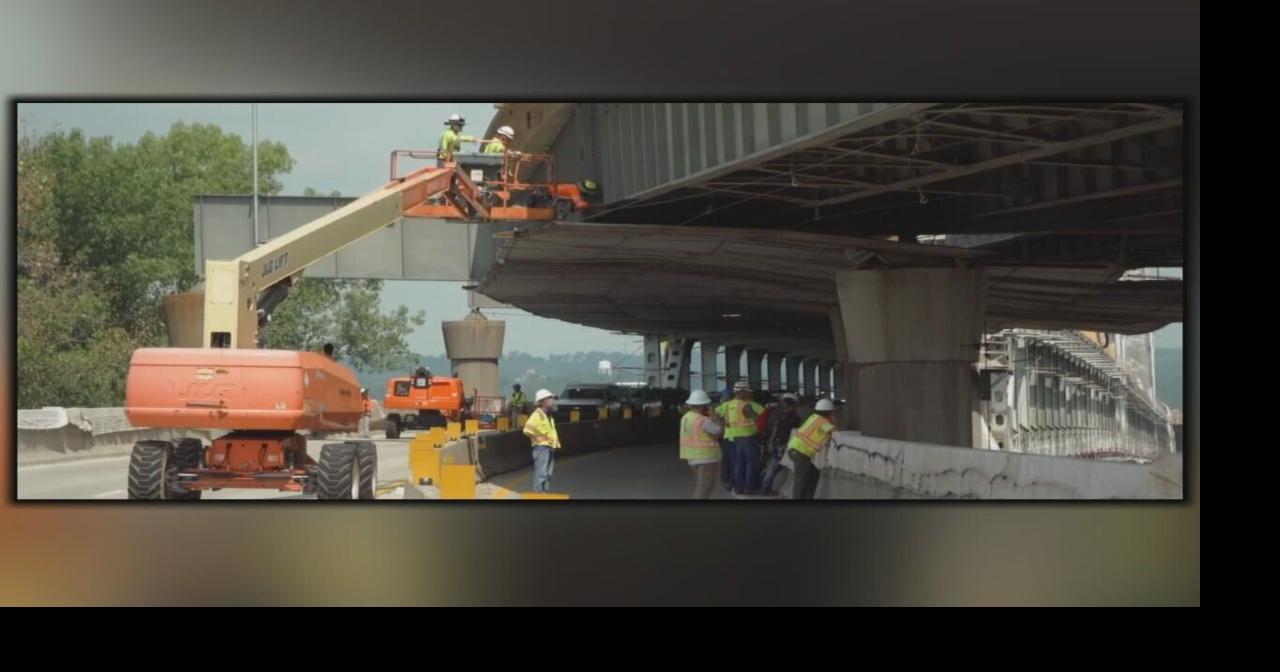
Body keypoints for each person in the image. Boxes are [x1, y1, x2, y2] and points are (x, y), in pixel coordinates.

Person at [715, 379, 765, 496]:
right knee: (751, 462)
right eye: (748, 391)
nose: (750, 393)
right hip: (747, 435)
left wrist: (722, 422)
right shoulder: (748, 405)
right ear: (742, 391)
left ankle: (737, 486)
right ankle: (748, 487)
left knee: (737, 462)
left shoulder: (727, 405)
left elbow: (713, 412)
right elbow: (758, 418)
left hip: (732, 437)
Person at [787, 398, 838, 500]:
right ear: (828, 412)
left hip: (796, 450)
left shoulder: (814, 417)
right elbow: (836, 431)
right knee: (801, 480)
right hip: (801, 452)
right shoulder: (823, 422)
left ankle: (808, 497)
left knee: (814, 474)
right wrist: (834, 419)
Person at [679, 390, 724, 499]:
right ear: (702, 405)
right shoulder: (702, 420)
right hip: (706, 457)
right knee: (704, 487)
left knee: (703, 486)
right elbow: (719, 431)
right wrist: (714, 415)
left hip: (692, 457)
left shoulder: (686, 417)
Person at [760, 393, 801, 495]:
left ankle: (765, 483)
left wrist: (770, 442)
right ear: (792, 405)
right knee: (775, 466)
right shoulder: (793, 417)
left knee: (772, 464)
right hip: (781, 444)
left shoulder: (778, 413)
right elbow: (792, 432)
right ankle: (765, 487)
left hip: (773, 442)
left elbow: (773, 428)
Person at [522, 388, 561, 493]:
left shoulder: (548, 416)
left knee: (547, 475)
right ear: (543, 401)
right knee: (541, 475)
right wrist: (539, 440)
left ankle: (544, 494)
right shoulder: (537, 415)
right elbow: (527, 430)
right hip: (541, 448)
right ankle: (538, 495)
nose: (553, 401)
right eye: (550, 398)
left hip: (549, 447)